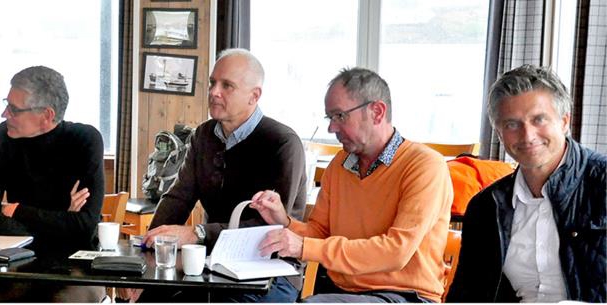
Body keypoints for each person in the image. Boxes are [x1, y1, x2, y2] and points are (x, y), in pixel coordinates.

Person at [249, 67, 453, 303]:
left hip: (406, 296)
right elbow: (319, 233)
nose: (331, 128)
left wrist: (304, 247)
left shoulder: (424, 166)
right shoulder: (339, 165)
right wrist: (283, 221)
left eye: (340, 116)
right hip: (341, 292)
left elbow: (396, 252)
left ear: (377, 112)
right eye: (330, 118)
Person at [135, 49, 305, 302]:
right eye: (213, 83)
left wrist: (198, 233)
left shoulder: (282, 142)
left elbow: (269, 225)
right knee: (149, 299)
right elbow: (178, 199)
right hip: (210, 264)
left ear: (254, 96)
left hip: (271, 270)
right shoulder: (203, 135)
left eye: (227, 86)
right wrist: (148, 258)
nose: (214, 92)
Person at [447, 65, 606, 303]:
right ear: (499, 134)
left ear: (564, 122)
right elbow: (466, 296)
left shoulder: (601, 183)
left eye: (539, 119)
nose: (527, 135)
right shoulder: (486, 207)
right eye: (512, 124)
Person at [0, 65, 106, 302]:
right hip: (16, 259)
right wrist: (62, 219)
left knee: (63, 300)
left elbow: (84, 226)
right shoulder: (3, 136)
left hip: (73, 265)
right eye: (6, 104)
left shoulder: (84, 140)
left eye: (14, 109)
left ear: (46, 115)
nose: (5, 114)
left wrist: (18, 211)